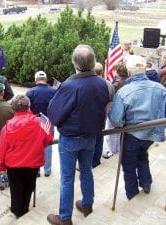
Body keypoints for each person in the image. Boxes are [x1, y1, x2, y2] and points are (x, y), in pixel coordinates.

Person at [47, 45, 110, 225]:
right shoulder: (102, 82)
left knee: (67, 178)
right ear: (92, 62)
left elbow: (54, 115)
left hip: (70, 138)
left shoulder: (69, 86)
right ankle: (87, 204)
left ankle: (65, 217)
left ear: (75, 63)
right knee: (86, 171)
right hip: (91, 136)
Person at [109, 55, 166, 200]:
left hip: (132, 136)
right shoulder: (159, 88)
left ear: (128, 72)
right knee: (143, 155)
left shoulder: (124, 92)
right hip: (151, 135)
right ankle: (146, 183)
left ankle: (132, 194)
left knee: (128, 164)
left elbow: (116, 121)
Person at [0, 95, 53, 218]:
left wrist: (1, 166)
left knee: (16, 189)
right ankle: (24, 208)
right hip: (33, 163)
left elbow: (2, 149)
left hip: (13, 165)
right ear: (28, 106)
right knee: (29, 187)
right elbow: (48, 139)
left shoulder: (7, 127)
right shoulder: (40, 122)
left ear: (13, 108)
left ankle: (17, 210)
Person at [26, 70, 56, 177]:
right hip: (49, 122)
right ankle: (47, 170)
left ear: (35, 80)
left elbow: (26, 109)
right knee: (48, 145)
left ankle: (36, 170)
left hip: (35, 122)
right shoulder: (53, 91)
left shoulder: (30, 92)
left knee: (35, 145)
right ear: (46, 79)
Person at [103, 62, 128, 159]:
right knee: (119, 132)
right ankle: (117, 149)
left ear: (117, 72)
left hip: (116, 110)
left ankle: (112, 151)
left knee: (112, 132)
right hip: (125, 109)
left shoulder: (117, 84)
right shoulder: (128, 81)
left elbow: (110, 96)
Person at [92, 62, 114, 167]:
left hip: (90, 119)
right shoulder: (109, 84)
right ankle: (96, 161)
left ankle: (90, 161)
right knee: (99, 139)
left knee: (92, 140)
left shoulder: (89, 83)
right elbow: (111, 101)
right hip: (102, 118)